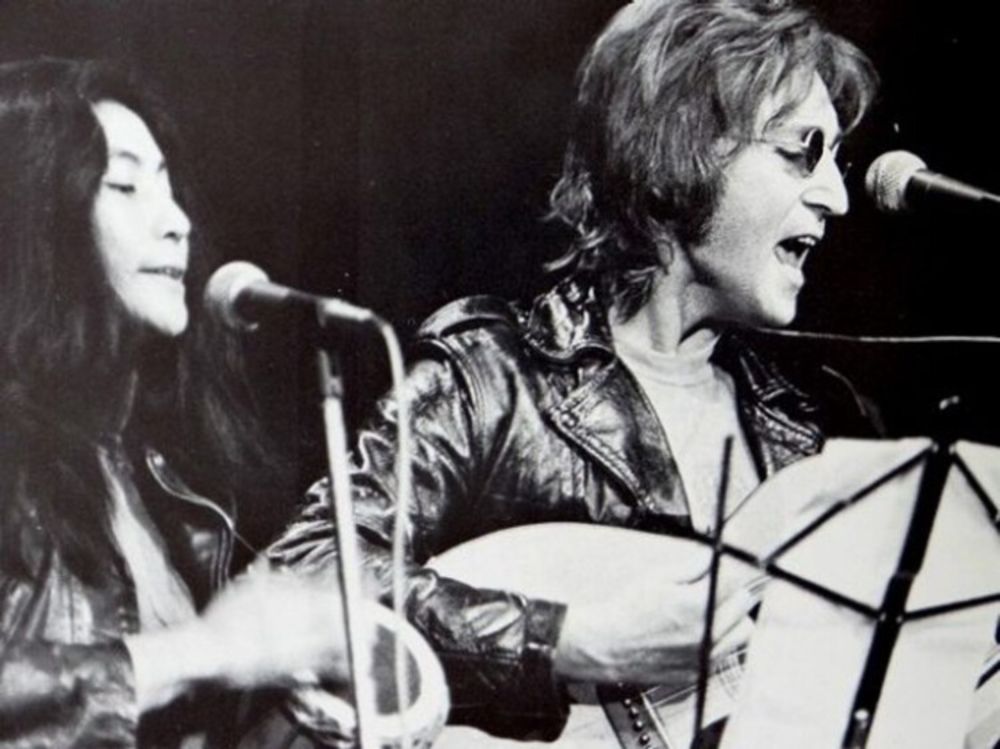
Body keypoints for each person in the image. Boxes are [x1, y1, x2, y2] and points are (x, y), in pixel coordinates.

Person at [270, 0, 998, 746]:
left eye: (837, 163)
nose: (836, 198)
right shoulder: (494, 378)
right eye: (800, 152)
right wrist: (573, 641)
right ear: (680, 152)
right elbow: (298, 575)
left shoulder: (821, 422)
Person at [0, 58, 348, 748]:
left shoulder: (155, 477)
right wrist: (205, 651)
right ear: (37, 221)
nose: (177, 223)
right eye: (126, 186)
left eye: (168, 188)